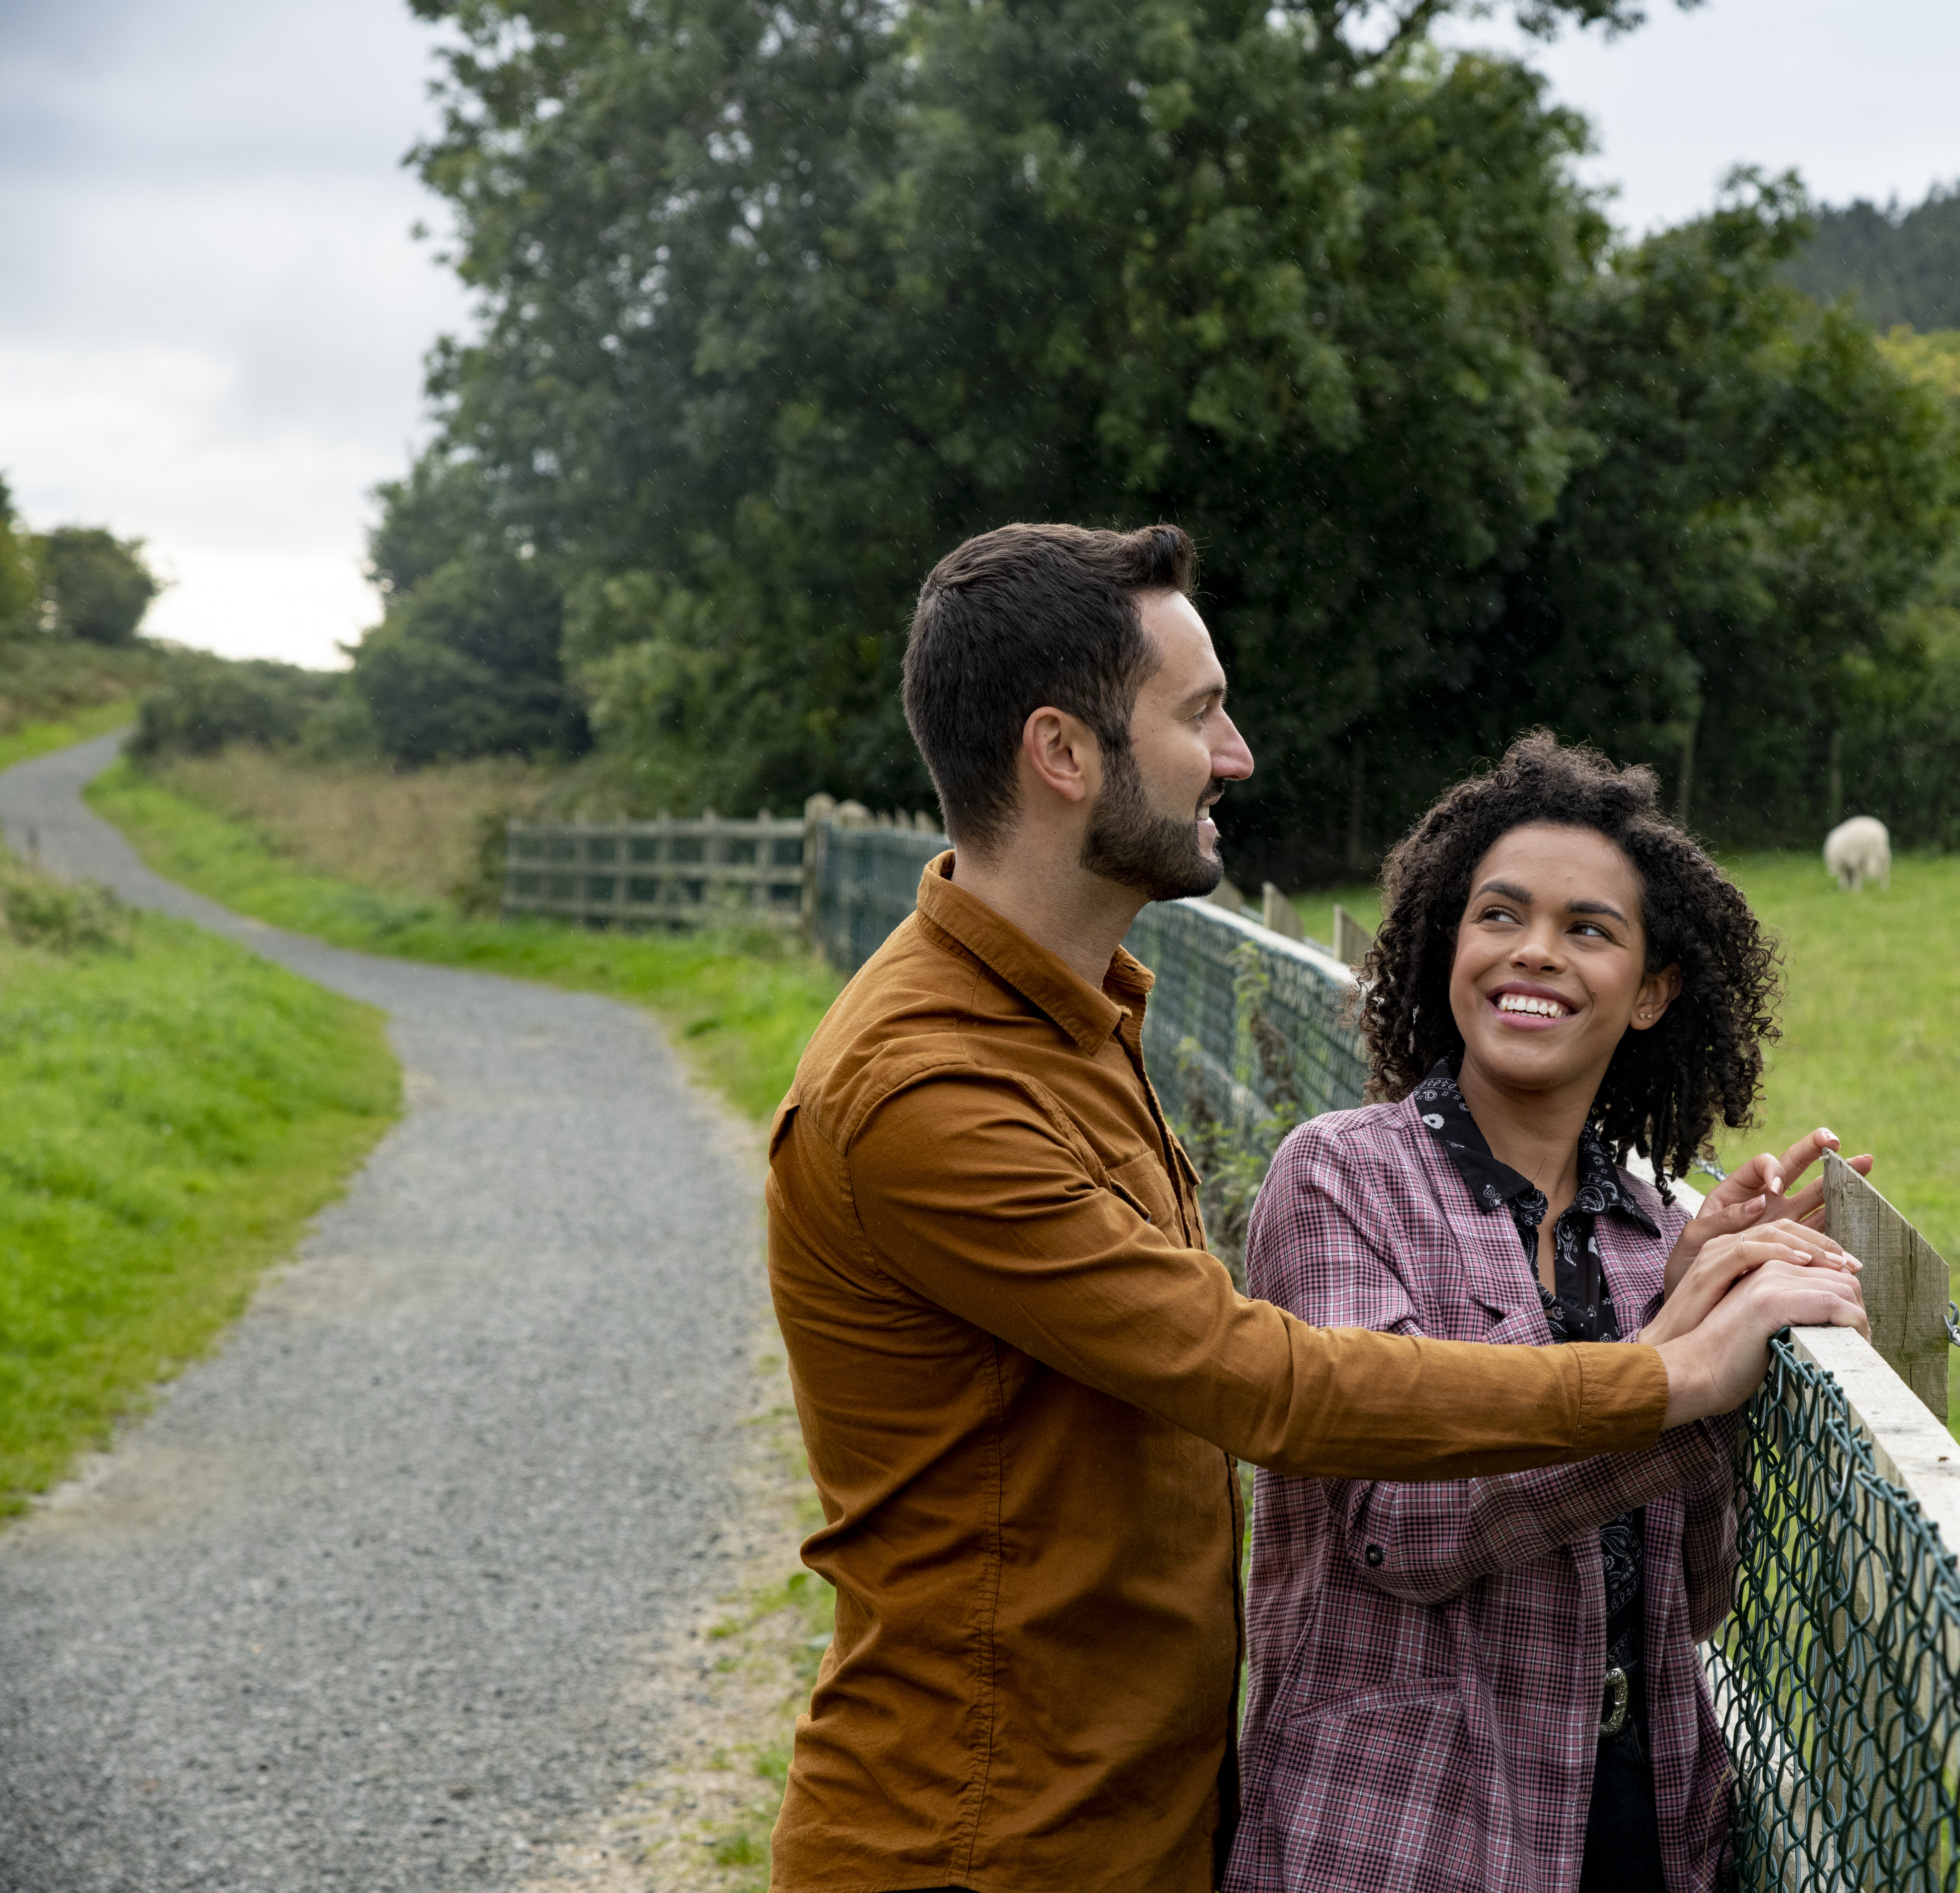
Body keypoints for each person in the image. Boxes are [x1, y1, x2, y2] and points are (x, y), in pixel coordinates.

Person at [762, 523, 1869, 1893]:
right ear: (1063, 753)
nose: (1232, 755)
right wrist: (1665, 1374)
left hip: (1127, 1811)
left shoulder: (1068, 1023)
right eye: (1200, 713)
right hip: (980, 1839)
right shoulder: (928, 1089)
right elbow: (1263, 1382)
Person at [1229, 733, 1869, 1893]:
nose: (1536, 953)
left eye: (1590, 929)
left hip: (1641, 1821)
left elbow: (1698, 1595)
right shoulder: (1340, 1179)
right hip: (1398, 1831)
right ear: (1446, 947)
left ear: (1653, 992)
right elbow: (1401, 1529)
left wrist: (1702, 1304)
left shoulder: (1645, 1245)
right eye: (1500, 916)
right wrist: (1672, 1369)